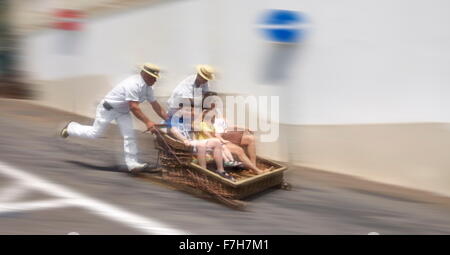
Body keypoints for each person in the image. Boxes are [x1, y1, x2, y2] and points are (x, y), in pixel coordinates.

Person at [59, 63, 168, 173]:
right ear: (144, 74)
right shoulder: (133, 84)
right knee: (94, 133)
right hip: (108, 109)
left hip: (123, 112)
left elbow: (155, 105)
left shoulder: (148, 88)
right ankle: (70, 128)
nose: (155, 80)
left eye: (155, 78)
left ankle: (133, 164)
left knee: (129, 136)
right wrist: (148, 122)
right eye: (152, 77)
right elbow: (134, 107)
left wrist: (168, 118)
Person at [167, 103, 235, 181]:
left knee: (217, 142)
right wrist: (184, 139)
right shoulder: (173, 119)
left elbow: (196, 125)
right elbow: (173, 130)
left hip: (193, 141)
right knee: (201, 145)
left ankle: (221, 170)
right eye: (187, 110)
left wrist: (203, 113)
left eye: (190, 110)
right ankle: (203, 172)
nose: (190, 113)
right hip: (182, 143)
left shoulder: (188, 119)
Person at [200, 107, 266, 175]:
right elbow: (212, 135)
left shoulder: (214, 123)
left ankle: (253, 167)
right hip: (215, 142)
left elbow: (226, 128)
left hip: (221, 138)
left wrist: (242, 128)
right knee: (239, 150)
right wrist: (222, 141)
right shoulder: (203, 125)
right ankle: (257, 170)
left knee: (249, 140)